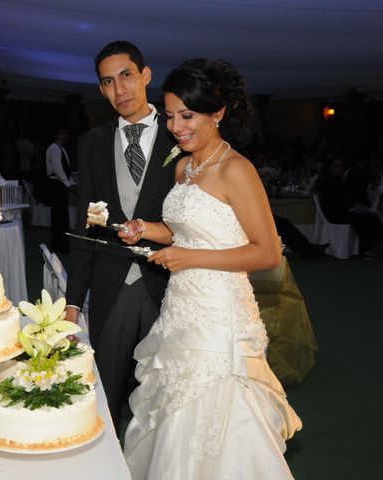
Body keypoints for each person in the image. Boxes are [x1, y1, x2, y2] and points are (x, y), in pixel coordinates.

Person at [120, 59, 301, 479]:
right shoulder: (184, 166)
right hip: (182, 311)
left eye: (187, 116)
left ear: (218, 113)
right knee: (172, 420)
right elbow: (191, 231)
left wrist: (190, 258)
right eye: (168, 116)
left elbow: (267, 252)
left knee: (219, 420)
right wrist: (146, 229)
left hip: (220, 319)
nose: (176, 126)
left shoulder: (236, 169)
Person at [65, 41, 177, 430]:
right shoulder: (92, 142)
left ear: (146, 76)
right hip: (111, 281)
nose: (120, 90)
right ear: (101, 89)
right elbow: (87, 224)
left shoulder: (180, 135)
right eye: (108, 82)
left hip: (170, 281)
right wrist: (73, 303)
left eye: (126, 76)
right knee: (106, 389)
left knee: (168, 391)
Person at [44, 127, 74, 253]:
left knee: (62, 215)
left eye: (65, 133)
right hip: (56, 185)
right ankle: (58, 244)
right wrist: (68, 184)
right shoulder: (54, 148)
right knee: (58, 216)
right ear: (56, 135)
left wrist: (71, 183)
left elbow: (66, 171)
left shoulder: (60, 148)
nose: (64, 136)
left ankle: (62, 243)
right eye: (62, 133)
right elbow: (58, 169)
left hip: (60, 184)